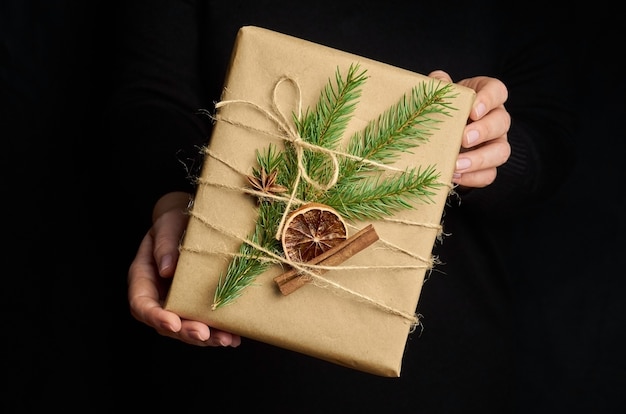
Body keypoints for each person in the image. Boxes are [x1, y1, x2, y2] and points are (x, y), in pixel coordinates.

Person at [103, 1, 580, 412]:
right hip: (211, 369)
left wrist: (486, 149)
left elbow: (551, 144)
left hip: (436, 365)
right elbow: (149, 97)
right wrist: (172, 199)